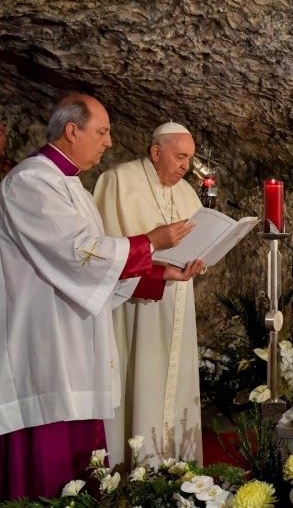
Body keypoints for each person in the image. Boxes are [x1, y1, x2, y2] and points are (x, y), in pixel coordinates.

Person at [0, 94, 204, 500]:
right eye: (102, 131)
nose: (109, 142)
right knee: (49, 468)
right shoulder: (30, 181)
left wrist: (158, 275)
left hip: (75, 341)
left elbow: (96, 261)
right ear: (72, 131)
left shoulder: (69, 183)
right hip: (45, 344)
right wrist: (149, 242)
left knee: (83, 465)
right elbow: (78, 253)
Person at [94, 122, 205, 469]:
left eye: (189, 158)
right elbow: (103, 255)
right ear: (156, 152)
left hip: (179, 306)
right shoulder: (117, 182)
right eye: (180, 157)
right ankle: (134, 471)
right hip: (135, 307)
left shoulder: (188, 192)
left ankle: (179, 469)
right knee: (140, 383)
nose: (186, 166)